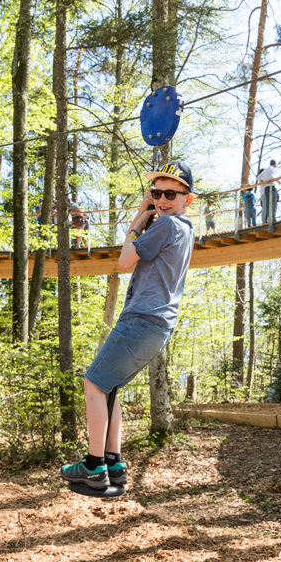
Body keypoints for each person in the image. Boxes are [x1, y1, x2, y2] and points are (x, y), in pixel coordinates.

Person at [60, 160, 195, 491]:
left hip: (142, 318)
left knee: (93, 384)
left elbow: (123, 260)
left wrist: (139, 217)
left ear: (187, 199)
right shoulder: (187, 229)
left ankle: (93, 468)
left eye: (171, 194)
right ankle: (113, 465)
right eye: (157, 193)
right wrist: (147, 210)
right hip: (158, 326)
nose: (162, 200)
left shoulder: (167, 226)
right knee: (108, 386)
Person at [257, 159, 277, 224]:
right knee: (273, 203)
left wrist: (263, 182)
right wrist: (278, 180)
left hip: (266, 189)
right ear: (274, 164)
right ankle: (272, 218)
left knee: (267, 205)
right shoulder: (272, 169)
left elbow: (258, 177)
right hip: (271, 187)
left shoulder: (265, 170)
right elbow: (272, 178)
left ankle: (267, 219)